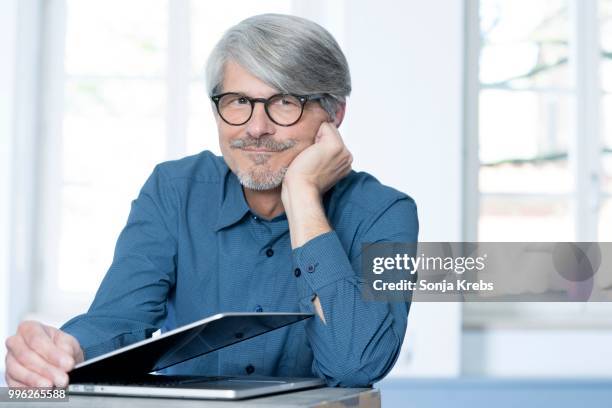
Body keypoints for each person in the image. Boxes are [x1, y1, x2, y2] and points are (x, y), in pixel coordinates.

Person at [4, 13, 418, 389]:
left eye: (285, 102)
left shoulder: (386, 213)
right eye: (238, 101)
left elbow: (357, 365)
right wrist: (65, 351)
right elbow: (117, 320)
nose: (256, 127)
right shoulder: (173, 190)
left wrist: (303, 197)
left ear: (334, 114)